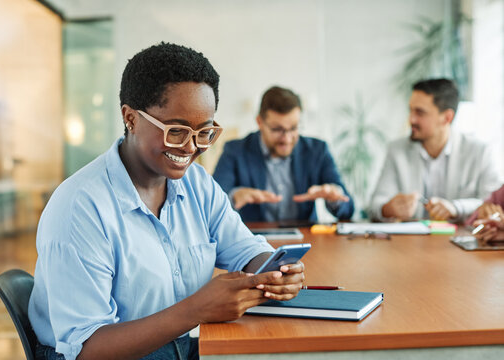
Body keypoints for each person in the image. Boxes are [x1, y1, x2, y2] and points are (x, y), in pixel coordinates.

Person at [28, 43, 305, 360]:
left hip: (179, 345)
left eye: (204, 132)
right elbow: (85, 349)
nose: (191, 147)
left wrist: (272, 270)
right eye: (176, 131)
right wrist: (196, 309)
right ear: (131, 118)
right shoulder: (80, 208)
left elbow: (244, 247)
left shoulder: (196, 184)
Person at [213, 86, 354, 223]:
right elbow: (211, 205)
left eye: (293, 128)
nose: (287, 138)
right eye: (277, 129)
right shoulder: (235, 151)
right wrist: (233, 197)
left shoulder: (317, 150)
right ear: (259, 122)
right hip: (252, 240)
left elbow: (348, 209)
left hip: (306, 239)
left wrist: (334, 197)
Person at [368, 78, 501, 222]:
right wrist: (388, 209)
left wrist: (456, 208)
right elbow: (375, 205)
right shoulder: (397, 150)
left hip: (460, 240)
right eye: (410, 110)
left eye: (420, 112)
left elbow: (494, 204)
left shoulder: (479, 152)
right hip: (410, 242)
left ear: (447, 118)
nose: (411, 119)